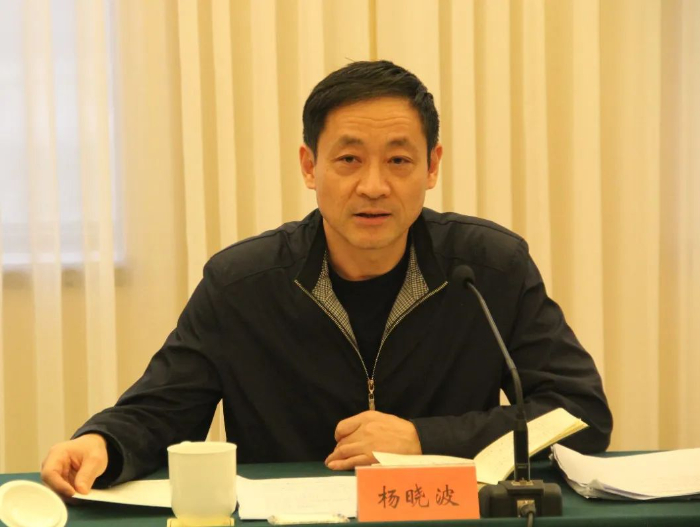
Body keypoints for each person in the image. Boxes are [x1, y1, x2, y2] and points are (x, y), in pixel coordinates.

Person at [41, 60, 613, 498]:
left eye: (399, 160)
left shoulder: (489, 269)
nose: (373, 186)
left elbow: (579, 412)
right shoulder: (242, 284)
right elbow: (162, 409)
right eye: (348, 160)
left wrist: (424, 440)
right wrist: (102, 442)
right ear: (310, 166)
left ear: (432, 166)